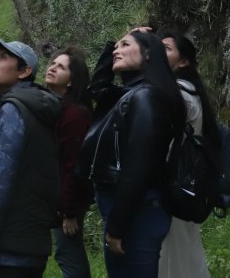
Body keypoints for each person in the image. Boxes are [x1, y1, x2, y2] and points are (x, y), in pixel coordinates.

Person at [79, 29, 186, 278]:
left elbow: (138, 165)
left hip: (136, 212)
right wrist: (114, 45)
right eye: (116, 46)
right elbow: (97, 88)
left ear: (149, 53)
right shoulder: (132, 93)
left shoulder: (146, 97)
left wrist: (117, 226)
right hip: (132, 209)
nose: (117, 49)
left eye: (125, 44)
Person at [0, 36, 61, 278]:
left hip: (8, 247)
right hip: (32, 242)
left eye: (3, 58)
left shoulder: (13, 110)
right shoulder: (37, 107)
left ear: (24, 72)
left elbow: (2, 181)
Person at [156, 30, 218, 278]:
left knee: (173, 252)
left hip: (174, 181)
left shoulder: (179, 94)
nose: (159, 52)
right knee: (184, 249)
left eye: (167, 49)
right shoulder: (189, 91)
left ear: (183, 62)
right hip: (187, 182)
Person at [43, 48, 94, 278]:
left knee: (68, 253)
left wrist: (69, 211)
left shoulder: (75, 115)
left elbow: (74, 165)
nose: (52, 67)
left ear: (72, 81)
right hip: (57, 196)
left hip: (67, 200)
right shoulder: (55, 108)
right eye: (52, 63)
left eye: (61, 67)